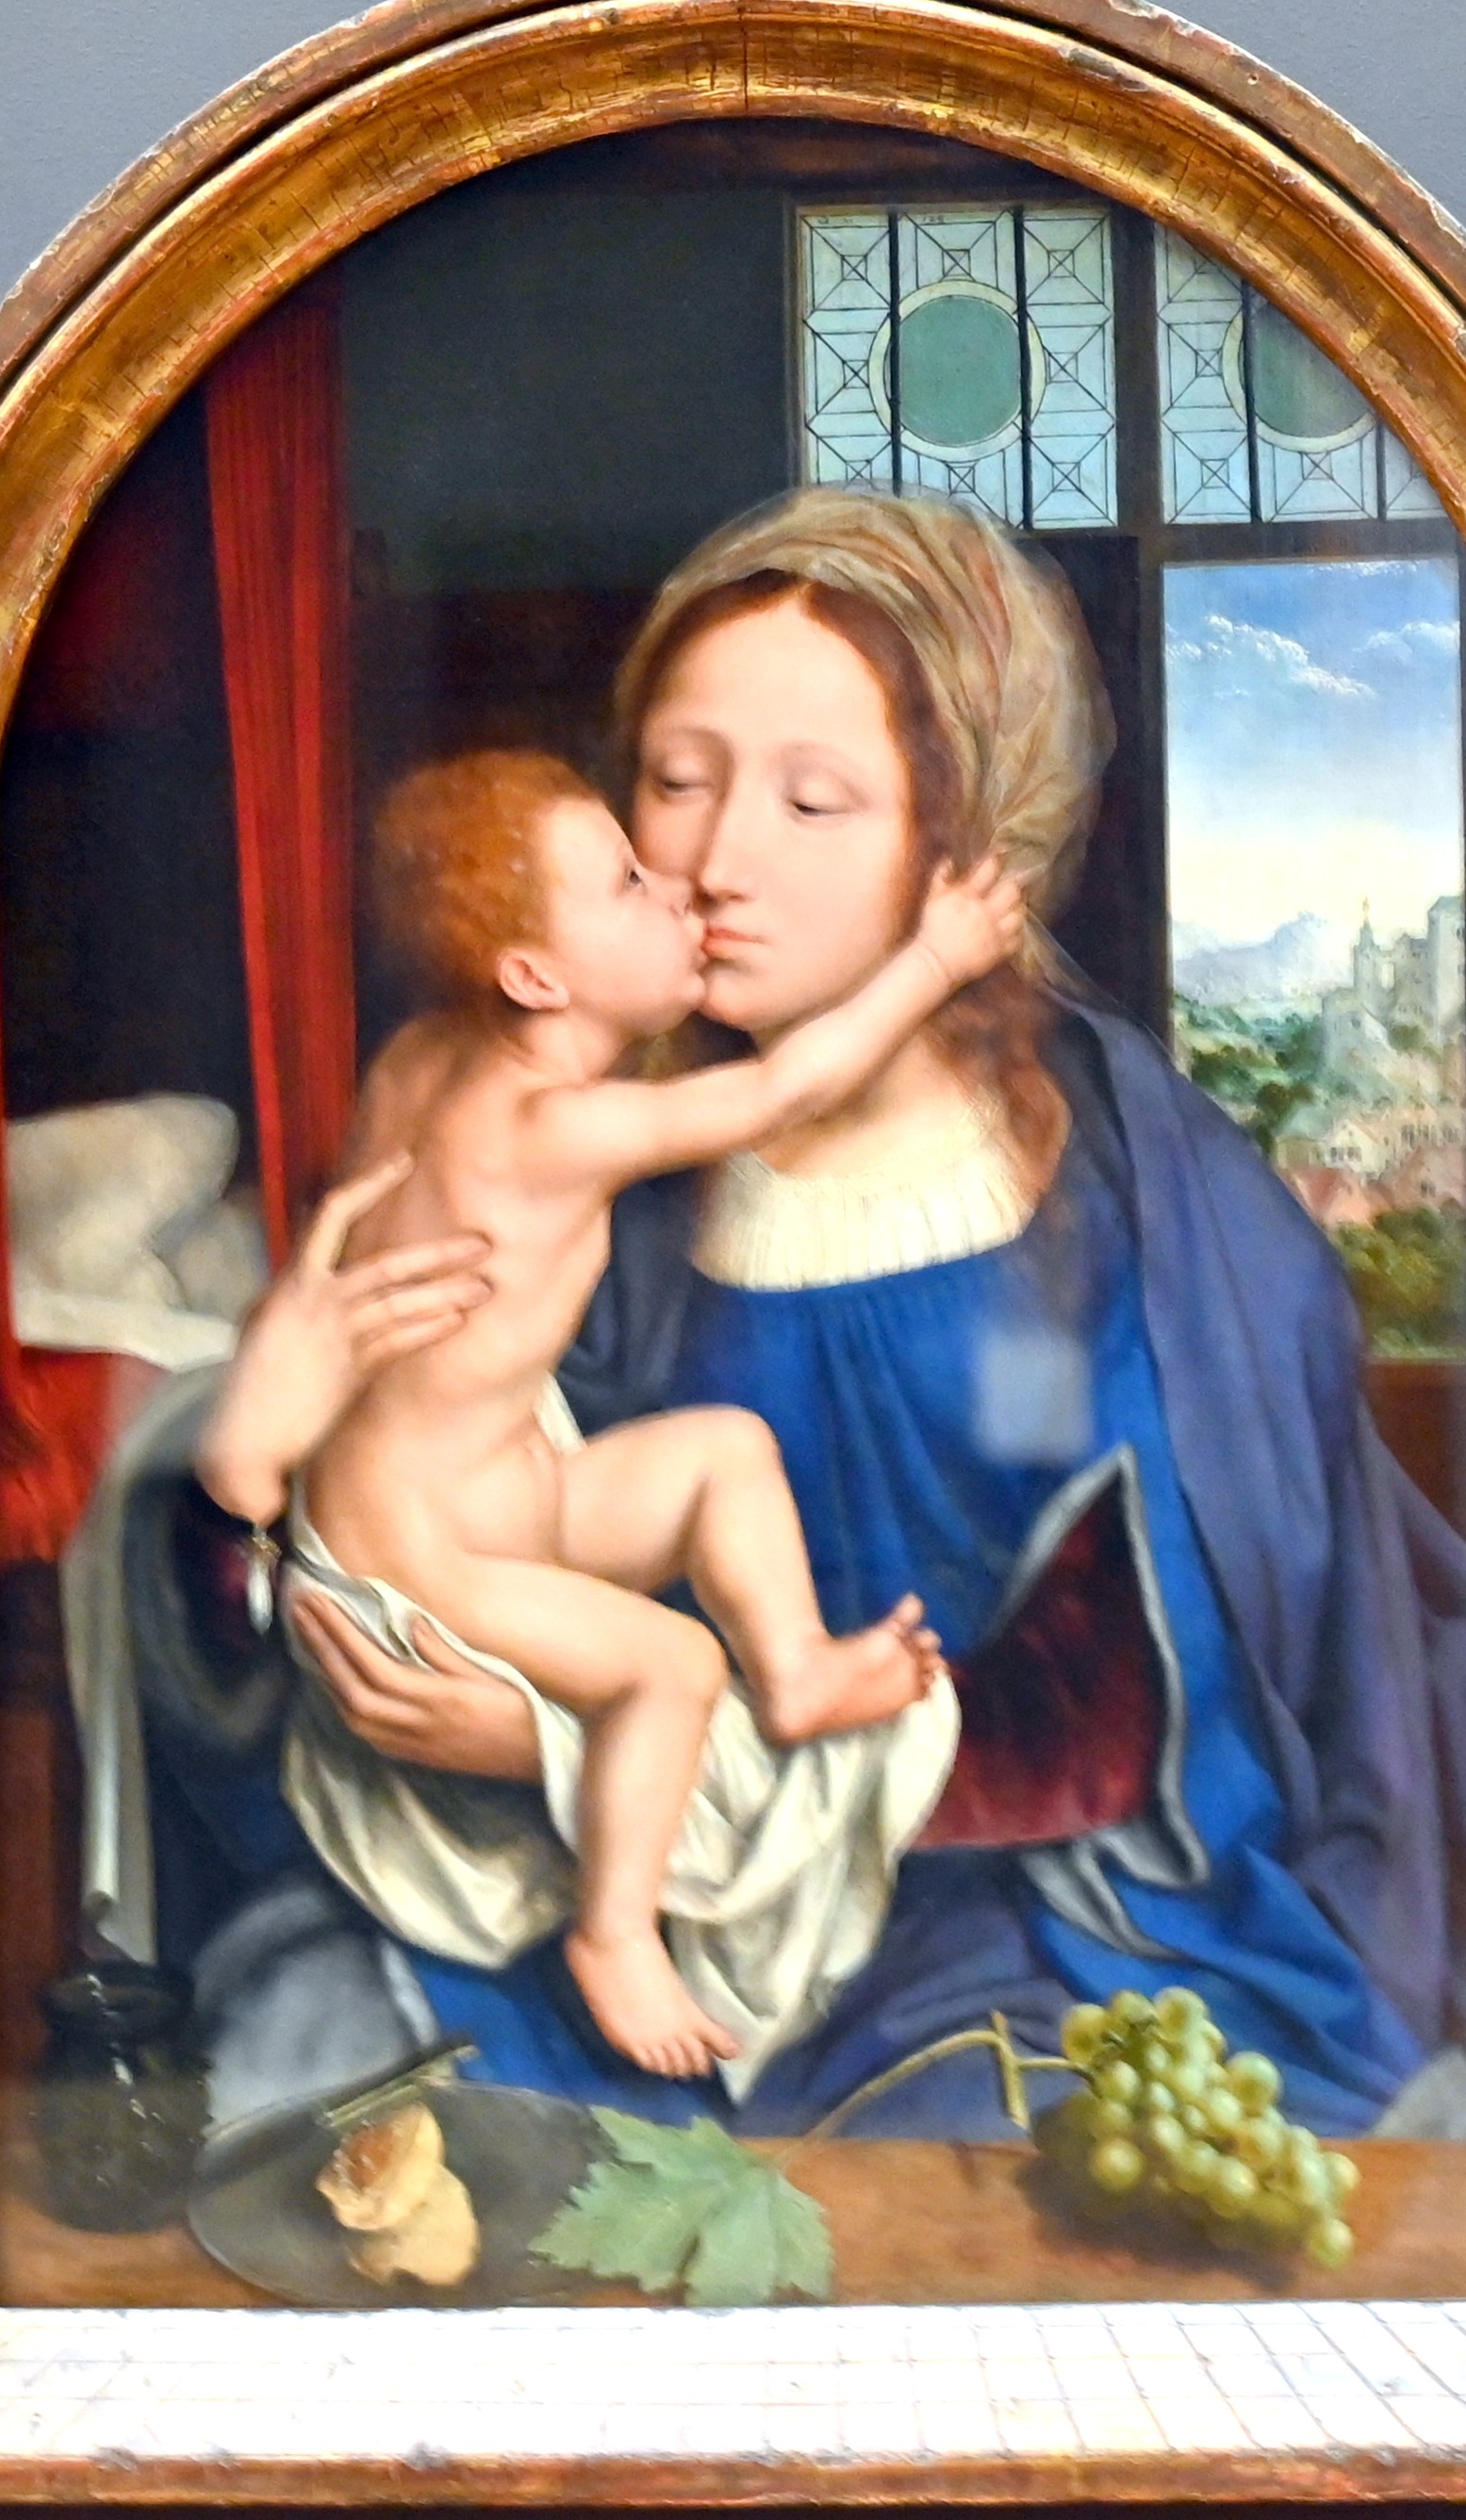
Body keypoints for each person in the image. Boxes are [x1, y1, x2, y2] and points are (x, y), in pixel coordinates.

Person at [161, 487, 1466, 2143]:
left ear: (970, 854)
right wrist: (257, 1482)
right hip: (625, 1898)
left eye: (814, 799)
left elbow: (1138, 1725)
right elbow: (388, 1558)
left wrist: (553, 1744)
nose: (713, 863)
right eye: (674, 783)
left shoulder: (1140, 1206)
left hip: (1037, 1933)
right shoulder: (602, 1186)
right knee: (307, 2069)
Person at [282, 744, 1021, 2076]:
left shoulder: (429, 1058)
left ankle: (795, 1671)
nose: (677, 890)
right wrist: (935, 957)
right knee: (672, 1667)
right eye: (627, 884)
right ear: (533, 977)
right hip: (414, 1555)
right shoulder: (544, 1127)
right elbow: (784, 1089)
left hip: (495, 1487)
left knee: (725, 1452)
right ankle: (614, 1935)